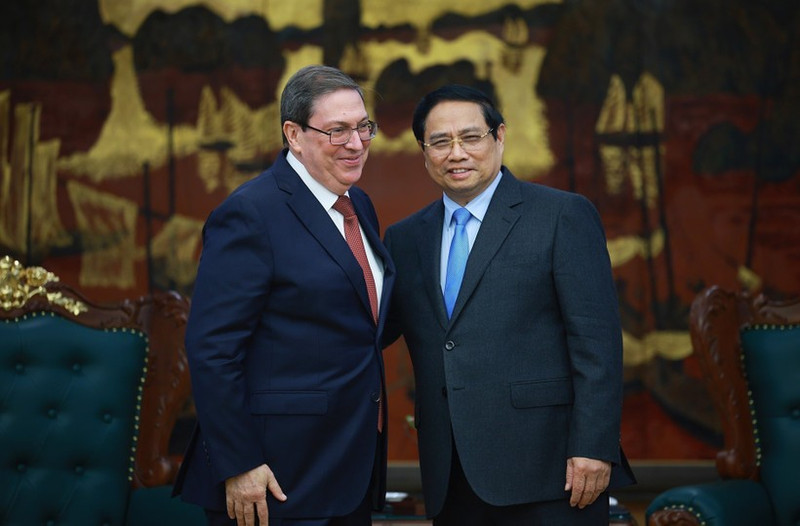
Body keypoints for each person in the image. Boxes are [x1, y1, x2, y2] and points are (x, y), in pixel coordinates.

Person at [383, 84, 635, 525]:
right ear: (424, 153)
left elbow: (597, 344)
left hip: (551, 471)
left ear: (499, 137)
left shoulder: (561, 216)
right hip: (451, 474)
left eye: (471, 137)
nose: (456, 153)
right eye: (440, 142)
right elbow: (379, 331)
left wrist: (594, 447)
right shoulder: (405, 238)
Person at [174, 65, 395, 526]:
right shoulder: (250, 213)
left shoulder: (360, 206)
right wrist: (240, 463)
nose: (356, 144)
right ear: (293, 134)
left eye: (363, 127)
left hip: (347, 466)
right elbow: (212, 350)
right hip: (272, 478)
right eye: (337, 131)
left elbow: (355, 323)